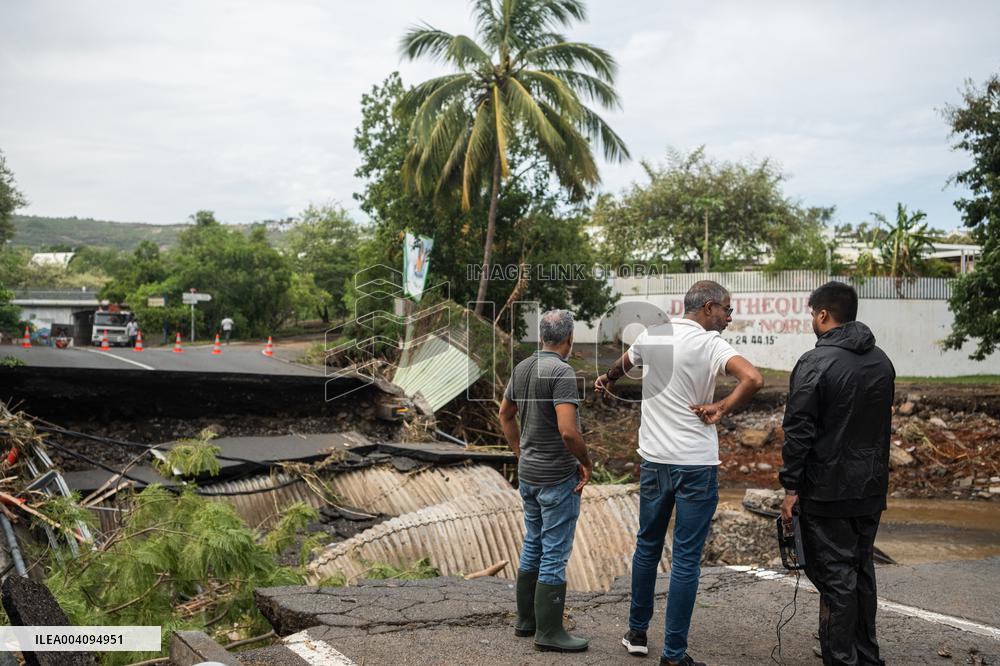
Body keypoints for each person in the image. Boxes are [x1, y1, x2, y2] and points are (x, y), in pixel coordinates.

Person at [595, 280, 763, 666]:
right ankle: (673, 654)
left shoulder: (654, 336)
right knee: (686, 560)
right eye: (727, 309)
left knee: (648, 546)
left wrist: (607, 379)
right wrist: (721, 407)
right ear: (708, 307)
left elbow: (626, 362)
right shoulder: (710, 343)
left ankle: (637, 633)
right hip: (696, 465)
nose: (729, 316)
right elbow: (752, 379)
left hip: (655, 461)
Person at [779, 281, 895, 666]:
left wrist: (790, 487)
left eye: (813, 314)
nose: (812, 320)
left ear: (824, 314)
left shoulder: (815, 363)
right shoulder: (881, 361)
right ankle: (867, 655)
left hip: (828, 491)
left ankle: (842, 658)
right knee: (860, 570)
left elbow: (799, 431)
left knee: (836, 578)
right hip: (870, 486)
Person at [498, 309, 593, 653]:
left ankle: (527, 621)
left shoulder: (523, 367)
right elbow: (569, 431)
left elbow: (504, 414)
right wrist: (585, 462)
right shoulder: (562, 372)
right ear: (569, 340)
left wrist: (520, 451)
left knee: (533, 543)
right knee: (554, 552)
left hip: (529, 476)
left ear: (542, 337)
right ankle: (550, 632)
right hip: (556, 476)